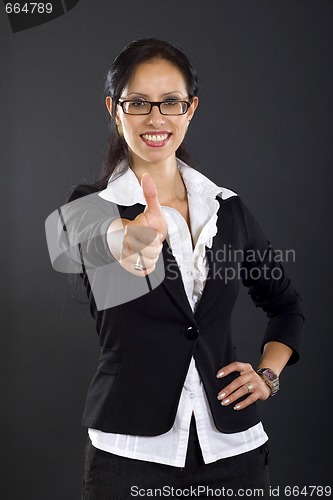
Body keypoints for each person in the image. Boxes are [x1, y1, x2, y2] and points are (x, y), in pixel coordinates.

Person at [46, 38, 304, 499]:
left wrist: (267, 376)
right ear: (114, 108)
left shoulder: (228, 209)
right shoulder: (90, 206)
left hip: (235, 455)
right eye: (138, 103)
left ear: (191, 109)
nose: (156, 118)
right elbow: (82, 247)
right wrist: (129, 245)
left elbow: (286, 306)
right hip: (128, 460)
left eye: (171, 102)